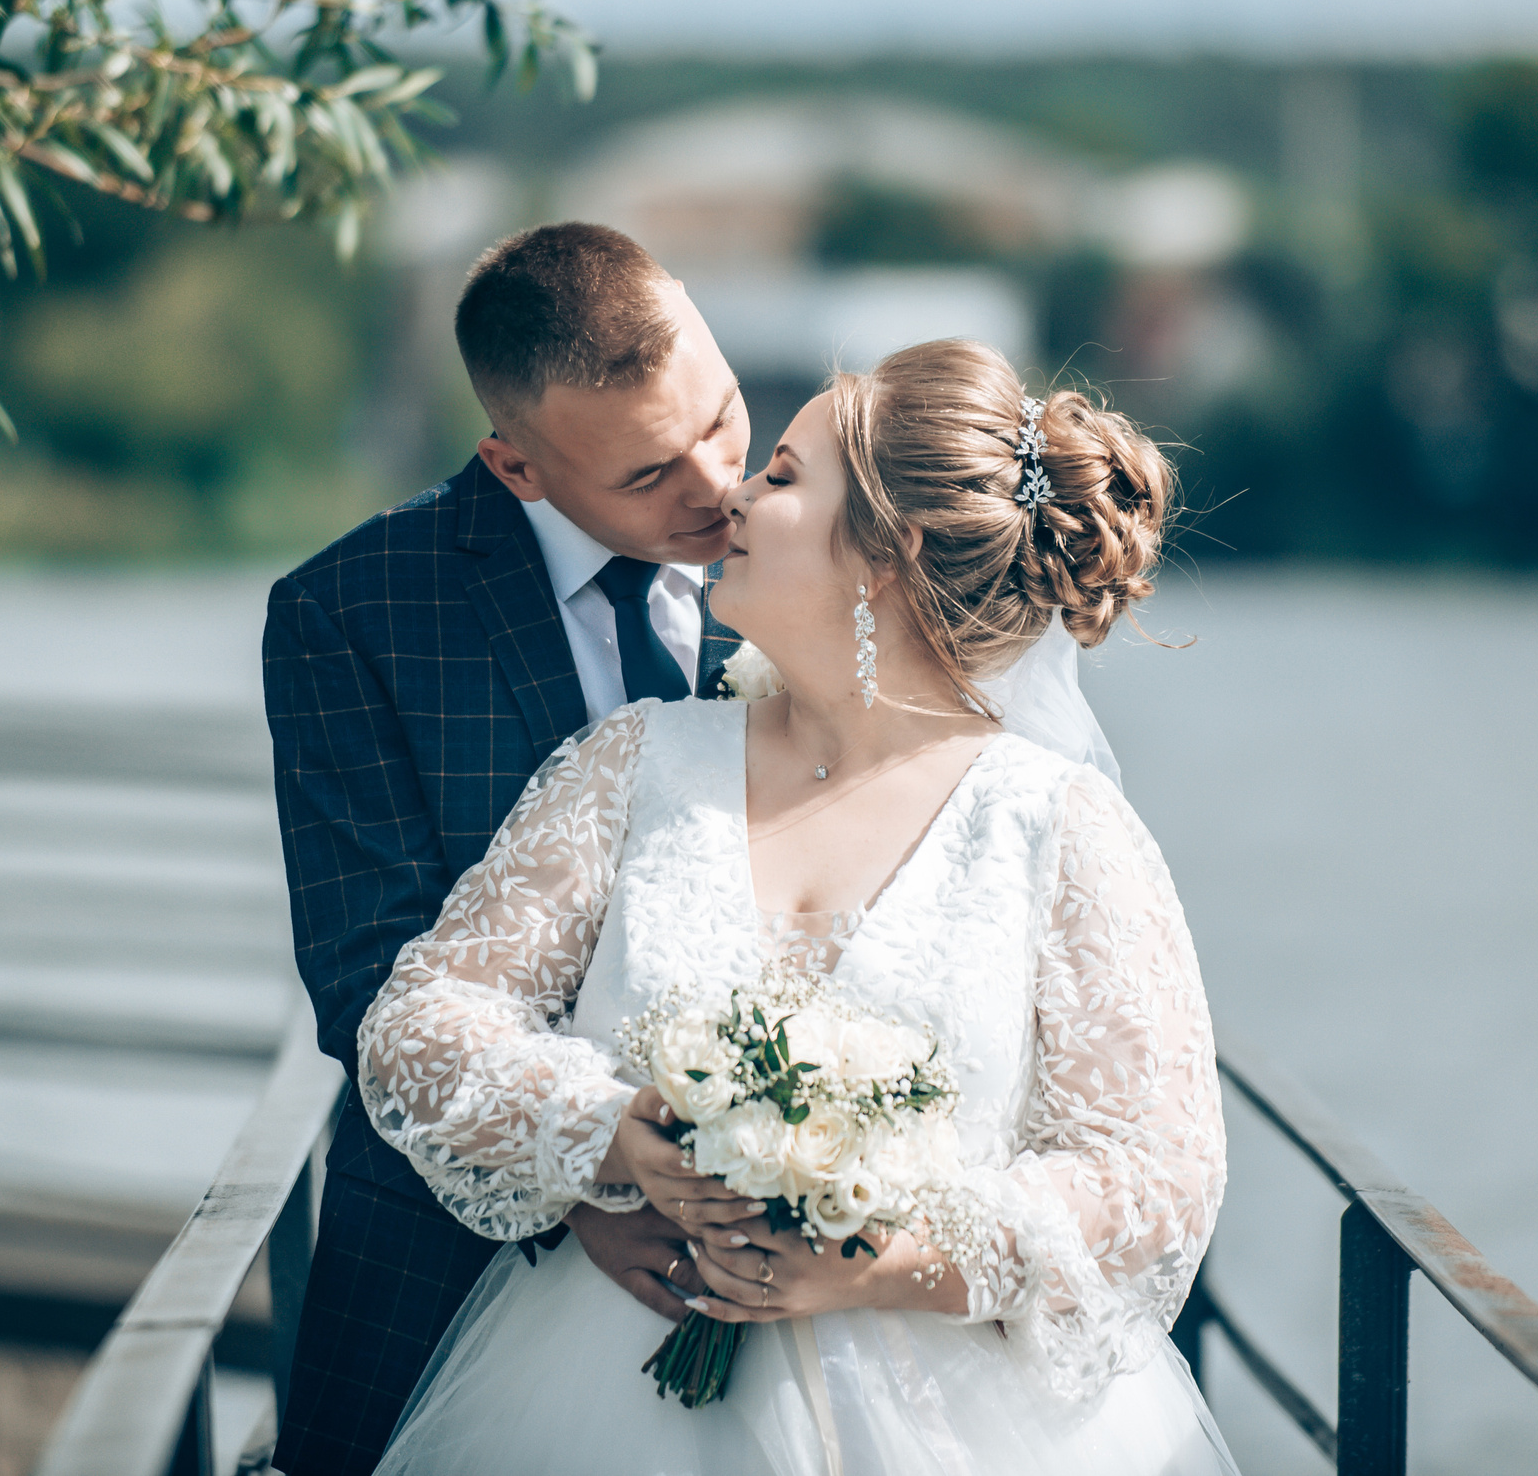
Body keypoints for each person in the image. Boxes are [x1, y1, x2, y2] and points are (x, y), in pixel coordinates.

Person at [357, 339, 1239, 1475]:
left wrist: (887, 1255)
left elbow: (1155, 1172)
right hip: (598, 1389)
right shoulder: (634, 763)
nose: (730, 494)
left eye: (778, 476)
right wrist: (611, 1128)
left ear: (886, 550)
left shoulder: (1056, 826)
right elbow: (425, 1019)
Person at [265, 222, 753, 1475]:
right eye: (649, 476)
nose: (715, 487)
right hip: (447, 1257)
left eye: (721, 418)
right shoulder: (351, 614)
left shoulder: (814, 538)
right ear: (516, 464)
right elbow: (367, 971)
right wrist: (579, 1171)